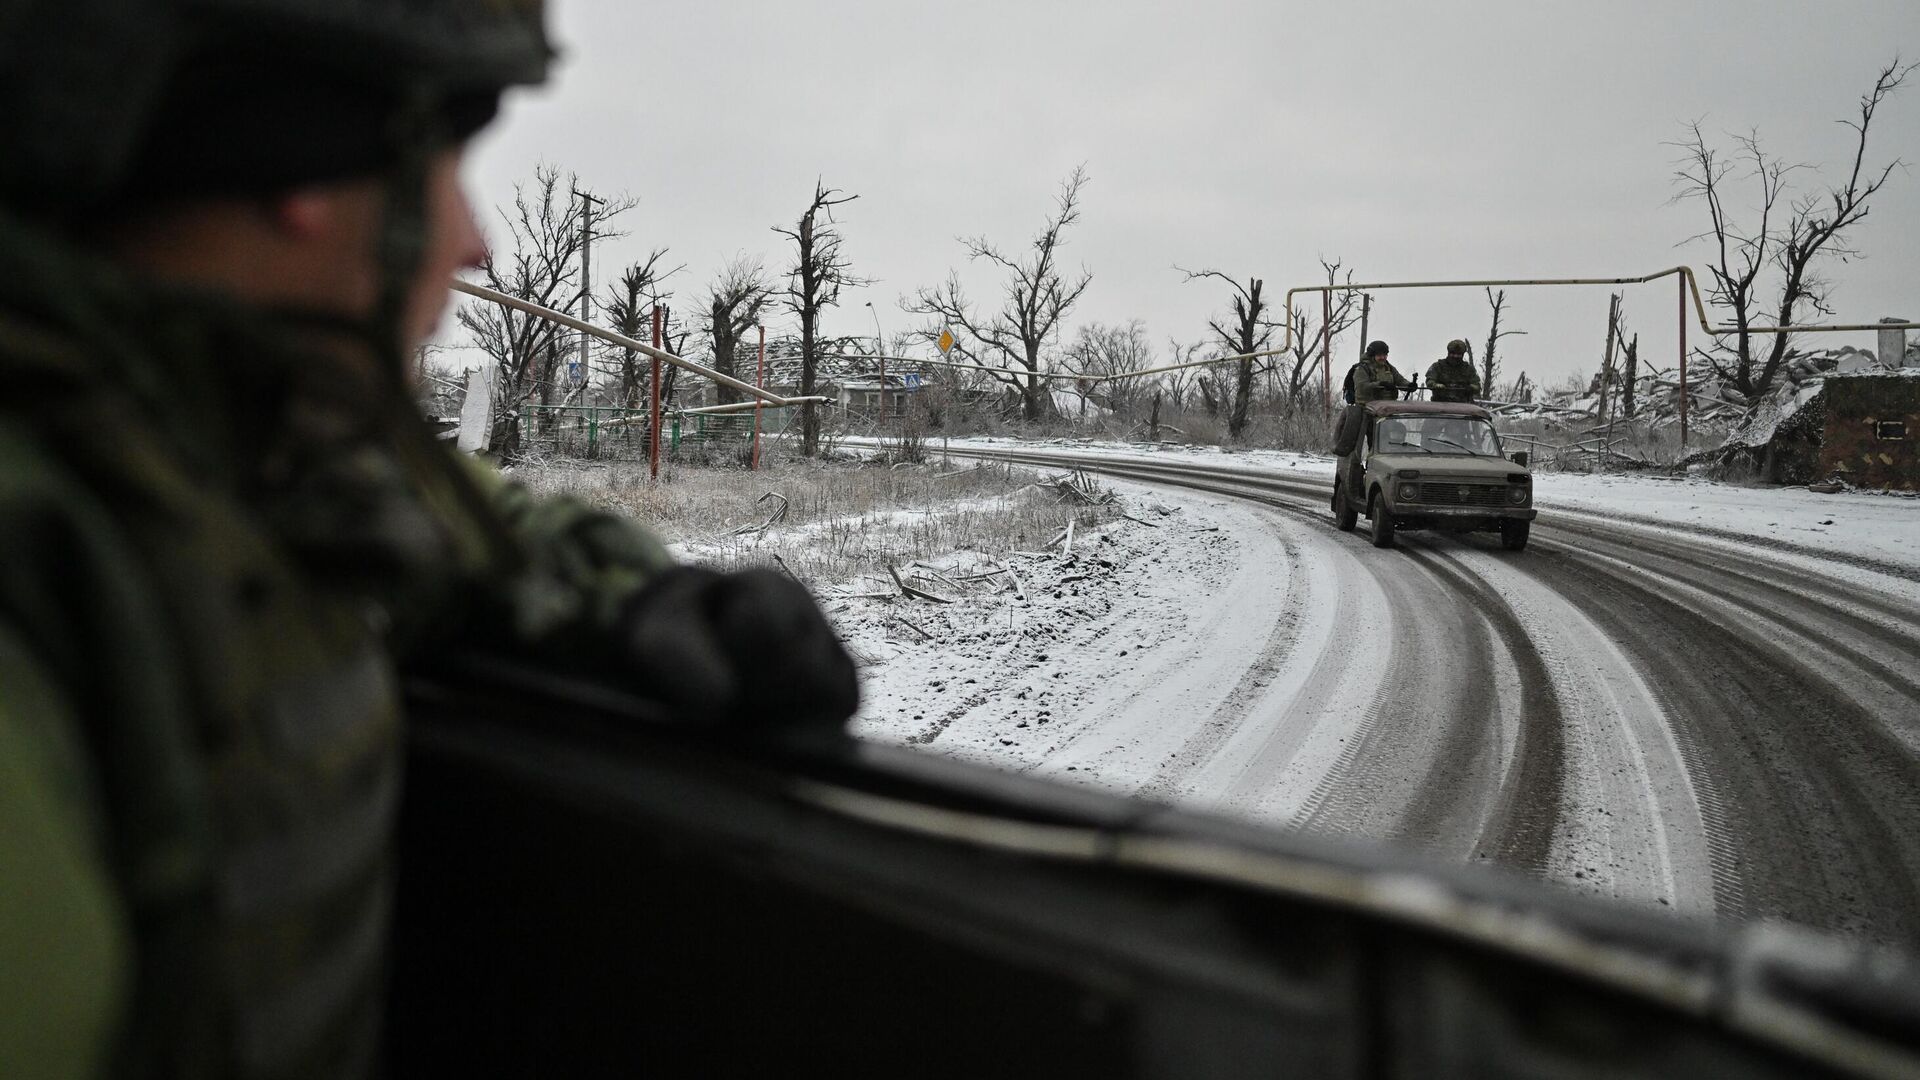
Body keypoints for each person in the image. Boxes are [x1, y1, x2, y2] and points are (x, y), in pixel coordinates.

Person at [0, 2, 857, 1076]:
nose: (476, 241)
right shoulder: (50, 561)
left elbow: (437, 509)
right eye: (447, 166)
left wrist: (630, 599)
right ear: (296, 173)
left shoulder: (221, 434)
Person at [1343, 340, 1413, 404]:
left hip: (1389, 407)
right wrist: (1381, 384)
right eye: (1379, 355)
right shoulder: (1361, 369)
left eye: (1385, 355)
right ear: (1372, 356)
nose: (1382, 358)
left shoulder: (1388, 367)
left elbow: (1399, 380)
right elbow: (1362, 387)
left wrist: (1409, 385)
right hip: (1368, 408)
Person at [1426, 338, 1483, 403]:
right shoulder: (1438, 366)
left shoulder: (1468, 369)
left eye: (1459, 354)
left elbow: (1477, 386)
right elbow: (1430, 381)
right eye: (1453, 353)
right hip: (1440, 404)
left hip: (1464, 406)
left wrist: (1471, 387)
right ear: (1448, 353)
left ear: (1462, 355)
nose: (1455, 356)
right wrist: (1436, 385)